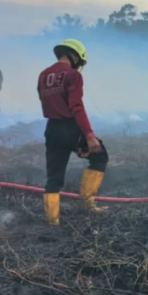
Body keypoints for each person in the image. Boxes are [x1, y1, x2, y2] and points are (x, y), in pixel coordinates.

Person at [37, 38, 108, 226]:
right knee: (100, 156)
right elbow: (76, 106)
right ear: (75, 56)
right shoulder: (73, 75)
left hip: (51, 130)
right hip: (70, 128)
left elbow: (44, 102)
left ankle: (52, 222)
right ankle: (87, 204)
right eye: (80, 62)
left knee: (54, 178)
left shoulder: (43, 75)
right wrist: (89, 135)